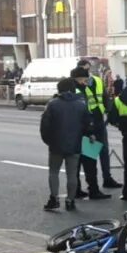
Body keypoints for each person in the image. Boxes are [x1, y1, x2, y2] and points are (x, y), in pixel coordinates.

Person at [40, 78, 91, 211]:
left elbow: (45, 126)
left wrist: (48, 141)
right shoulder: (82, 104)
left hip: (56, 145)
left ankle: (54, 199)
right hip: (75, 145)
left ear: (59, 89)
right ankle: (70, 200)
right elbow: (88, 125)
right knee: (72, 174)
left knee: (53, 172)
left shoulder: (52, 104)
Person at [76, 59, 121, 189]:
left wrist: (108, 112)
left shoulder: (96, 81)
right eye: (84, 68)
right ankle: (93, 184)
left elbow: (105, 98)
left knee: (103, 150)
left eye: (88, 68)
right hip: (87, 121)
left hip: (99, 120)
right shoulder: (78, 84)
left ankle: (106, 178)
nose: (87, 71)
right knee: (91, 153)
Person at [70, 66, 111, 200]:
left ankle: (78, 190)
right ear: (78, 79)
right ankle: (92, 190)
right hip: (85, 131)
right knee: (89, 162)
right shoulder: (77, 91)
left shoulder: (82, 88)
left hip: (84, 130)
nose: (86, 81)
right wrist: (91, 129)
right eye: (84, 79)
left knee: (80, 162)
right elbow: (84, 113)